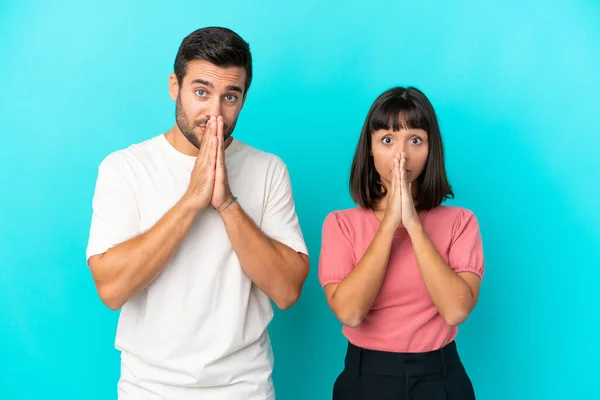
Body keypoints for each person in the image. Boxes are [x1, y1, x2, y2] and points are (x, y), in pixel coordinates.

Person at [86, 27, 309, 400]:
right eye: (201, 92)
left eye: (230, 97)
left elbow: (286, 291)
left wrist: (225, 203)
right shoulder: (125, 168)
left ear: (243, 99)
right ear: (175, 86)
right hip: (150, 389)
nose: (214, 112)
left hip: (245, 388)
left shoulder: (268, 169)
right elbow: (111, 290)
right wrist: (192, 199)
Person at [318, 86, 484, 399]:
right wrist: (390, 224)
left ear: (431, 148)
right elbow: (351, 313)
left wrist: (413, 226)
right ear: (369, 148)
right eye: (387, 140)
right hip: (366, 379)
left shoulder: (461, 222)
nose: (401, 154)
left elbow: (455, 311)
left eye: (416, 140)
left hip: (441, 378)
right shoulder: (341, 224)